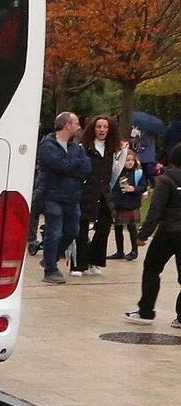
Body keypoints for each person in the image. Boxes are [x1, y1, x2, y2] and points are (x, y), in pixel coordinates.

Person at [125, 145, 181, 327]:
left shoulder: (166, 180)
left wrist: (143, 235)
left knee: (152, 268)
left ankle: (146, 311)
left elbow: (156, 211)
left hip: (168, 232)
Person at [34, 112, 90, 285]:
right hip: (52, 195)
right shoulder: (48, 146)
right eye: (76, 123)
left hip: (72, 197)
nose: (79, 127)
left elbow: (86, 168)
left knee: (73, 231)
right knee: (54, 232)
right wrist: (73, 165)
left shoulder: (76, 147)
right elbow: (59, 165)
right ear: (67, 125)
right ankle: (50, 269)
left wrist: (69, 166)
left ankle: (51, 256)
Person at [75, 115, 124, 275]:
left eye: (105, 127)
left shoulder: (112, 150)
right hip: (87, 192)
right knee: (81, 229)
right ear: (93, 128)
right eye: (99, 127)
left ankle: (94, 260)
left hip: (104, 192)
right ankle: (78, 265)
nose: (102, 130)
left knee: (104, 227)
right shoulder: (84, 147)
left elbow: (115, 171)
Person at [112, 149, 149, 261]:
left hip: (132, 204)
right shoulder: (118, 174)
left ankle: (134, 250)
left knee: (132, 228)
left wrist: (134, 189)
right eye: (127, 160)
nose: (130, 162)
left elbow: (143, 187)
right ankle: (119, 251)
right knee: (118, 228)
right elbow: (113, 187)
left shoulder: (138, 173)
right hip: (120, 203)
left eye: (132, 160)